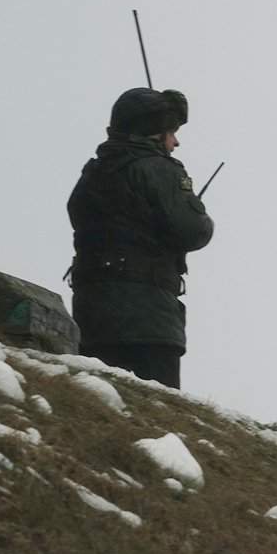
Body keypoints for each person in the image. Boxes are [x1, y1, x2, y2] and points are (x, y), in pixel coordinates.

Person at [66, 88, 215, 389]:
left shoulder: (93, 173)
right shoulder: (159, 168)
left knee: (103, 402)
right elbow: (192, 230)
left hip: (92, 315)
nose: (176, 141)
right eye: (171, 132)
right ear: (152, 133)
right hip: (147, 318)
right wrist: (197, 209)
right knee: (157, 418)